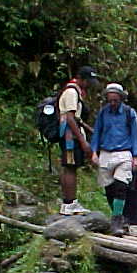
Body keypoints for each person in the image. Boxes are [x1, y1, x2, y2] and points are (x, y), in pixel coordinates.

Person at [90, 83, 137, 236]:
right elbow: (97, 132)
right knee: (109, 189)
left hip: (124, 153)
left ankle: (116, 221)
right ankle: (120, 217)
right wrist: (93, 152)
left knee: (121, 186)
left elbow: (136, 134)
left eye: (116, 100)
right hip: (106, 153)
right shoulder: (103, 113)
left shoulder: (129, 113)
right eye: (110, 100)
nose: (113, 103)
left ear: (121, 99)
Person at [58, 65, 99, 215]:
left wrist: (90, 131)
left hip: (73, 135)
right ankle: (69, 203)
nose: (89, 85)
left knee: (71, 167)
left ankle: (69, 202)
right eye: (88, 81)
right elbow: (70, 117)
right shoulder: (71, 92)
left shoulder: (76, 93)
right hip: (70, 137)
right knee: (70, 167)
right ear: (81, 79)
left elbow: (77, 118)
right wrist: (83, 141)